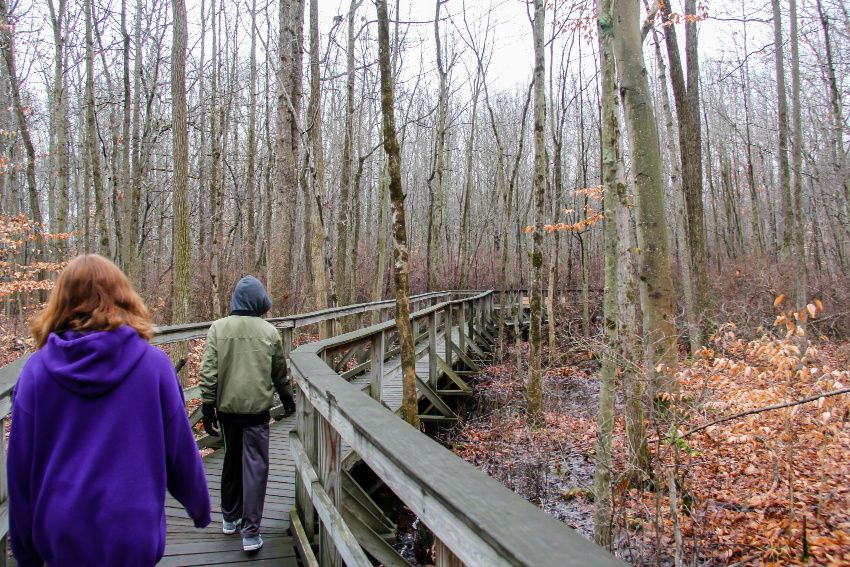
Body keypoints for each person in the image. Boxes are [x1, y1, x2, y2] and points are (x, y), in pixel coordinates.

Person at [8, 254, 211, 567]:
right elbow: (179, 447)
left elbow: (20, 467)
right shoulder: (153, 366)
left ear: (60, 302)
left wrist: (24, 549)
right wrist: (198, 505)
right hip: (133, 527)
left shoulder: (36, 372)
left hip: (61, 529)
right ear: (123, 298)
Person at [199, 275, 294, 552]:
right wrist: (288, 399)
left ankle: (230, 518)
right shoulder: (269, 331)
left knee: (231, 462)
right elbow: (280, 372)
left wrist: (207, 407)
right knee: (255, 468)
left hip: (227, 412)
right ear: (258, 301)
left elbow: (208, 372)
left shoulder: (218, 328)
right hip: (256, 414)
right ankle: (251, 533)